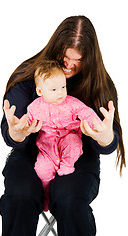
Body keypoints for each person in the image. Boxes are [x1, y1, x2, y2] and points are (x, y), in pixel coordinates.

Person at [0, 15, 126, 236]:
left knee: (69, 198)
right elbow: (11, 130)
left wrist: (106, 138)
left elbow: (109, 141)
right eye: (64, 56)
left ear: (90, 59)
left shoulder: (100, 85)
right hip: (31, 154)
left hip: (77, 156)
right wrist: (17, 134)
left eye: (77, 60)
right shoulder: (29, 75)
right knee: (19, 195)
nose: (68, 65)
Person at [27, 60, 101, 212]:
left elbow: (85, 112)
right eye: (54, 89)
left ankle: (67, 165)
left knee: (73, 144)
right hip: (47, 146)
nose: (61, 92)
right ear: (40, 92)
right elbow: (26, 121)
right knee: (42, 169)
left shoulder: (71, 103)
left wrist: (97, 124)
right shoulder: (35, 107)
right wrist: (24, 127)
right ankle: (46, 196)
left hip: (68, 137)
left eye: (63, 86)